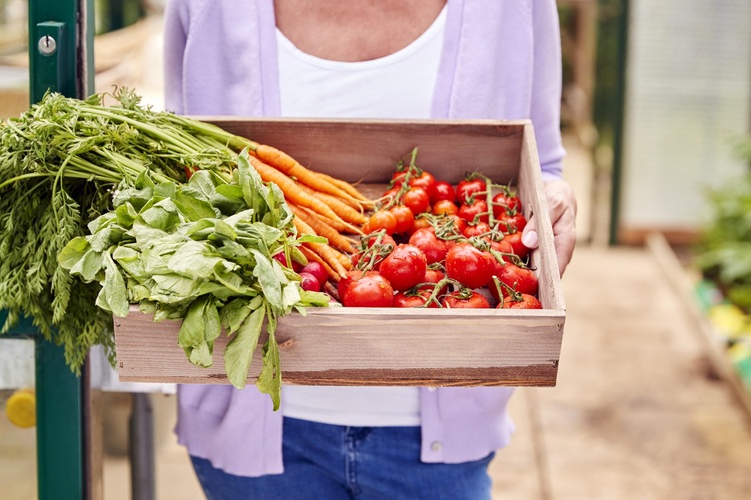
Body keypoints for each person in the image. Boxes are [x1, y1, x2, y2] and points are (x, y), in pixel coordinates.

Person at [163, 1, 577, 498]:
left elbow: (540, 163)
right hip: (251, 423)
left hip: (438, 441)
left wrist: (553, 201)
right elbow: (181, 165)